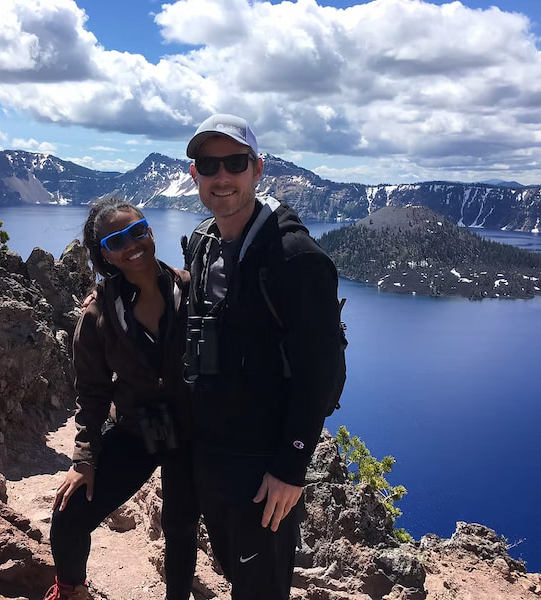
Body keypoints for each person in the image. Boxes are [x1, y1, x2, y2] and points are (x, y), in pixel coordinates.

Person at [182, 114, 345, 600]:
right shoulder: (204, 244)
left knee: (261, 587)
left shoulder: (295, 258)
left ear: (257, 169)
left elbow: (323, 372)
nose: (222, 177)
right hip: (213, 451)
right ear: (195, 176)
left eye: (235, 162)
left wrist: (291, 468)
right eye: (209, 165)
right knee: (235, 570)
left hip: (263, 466)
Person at [46, 198, 199, 600]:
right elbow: (92, 393)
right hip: (139, 428)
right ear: (105, 254)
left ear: (149, 230)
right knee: (68, 515)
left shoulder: (191, 289)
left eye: (137, 230)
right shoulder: (98, 316)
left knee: (181, 522)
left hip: (192, 428)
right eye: (116, 240)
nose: (132, 244)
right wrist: (84, 460)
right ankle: (70, 591)